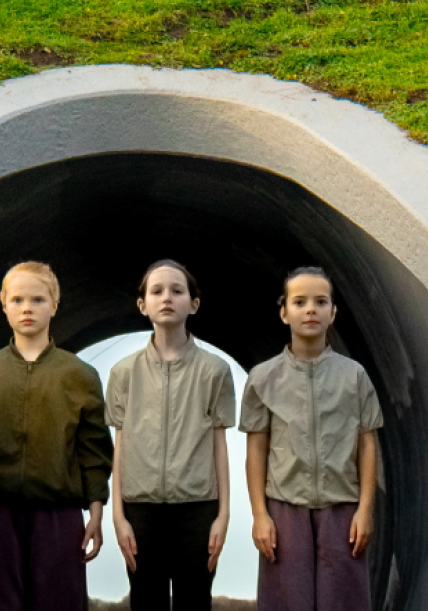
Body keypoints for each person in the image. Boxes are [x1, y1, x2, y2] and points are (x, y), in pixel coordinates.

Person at [0, 261, 114, 611]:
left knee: (58, 602)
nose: (27, 308)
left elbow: (93, 451)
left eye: (38, 300)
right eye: (18, 299)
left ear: (54, 305)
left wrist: (95, 513)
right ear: (3, 304)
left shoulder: (80, 376)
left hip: (59, 514)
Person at [240, 267, 384, 611]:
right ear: (284, 312)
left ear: (333, 312)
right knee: (287, 602)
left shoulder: (355, 376)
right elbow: (256, 451)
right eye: (300, 301)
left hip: (342, 510)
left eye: (321, 302)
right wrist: (260, 515)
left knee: (343, 602)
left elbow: (367, 445)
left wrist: (365, 511)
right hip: (284, 510)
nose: (310, 310)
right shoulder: (263, 378)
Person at [106, 260, 236, 611]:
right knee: (146, 602)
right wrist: (118, 517)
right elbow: (120, 446)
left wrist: (223, 516)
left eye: (177, 291)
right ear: (142, 304)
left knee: (195, 602)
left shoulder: (215, 371)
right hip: (140, 510)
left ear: (193, 304)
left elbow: (219, 446)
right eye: (157, 291)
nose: (167, 298)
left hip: (198, 510)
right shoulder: (123, 373)